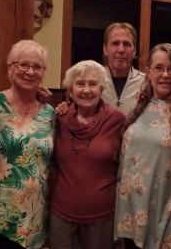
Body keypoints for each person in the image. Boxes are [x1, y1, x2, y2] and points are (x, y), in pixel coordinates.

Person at [114, 43, 171, 249]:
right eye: (159, 68)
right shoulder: (140, 104)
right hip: (133, 213)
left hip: (169, 213)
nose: (165, 74)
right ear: (148, 71)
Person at [0, 40, 54, 249]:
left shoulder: (51, 113)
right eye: (23, 65)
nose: (30, 72)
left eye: (37, 67)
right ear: (10, 68)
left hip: (36, 219)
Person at [48, 60, 126, 249]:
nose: (86, 90)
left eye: (93, 84)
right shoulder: (59, 117)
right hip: (61, 215)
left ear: (101, 88)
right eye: (80, 83)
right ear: (70, 90)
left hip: (103, 217)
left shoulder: (117, 120)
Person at [101, 22, 146, 115]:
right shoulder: (92, 82)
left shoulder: (146, 83)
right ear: (105, 49)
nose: (121, 49)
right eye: (115, 43)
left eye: (126, 44)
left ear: (134, 51)